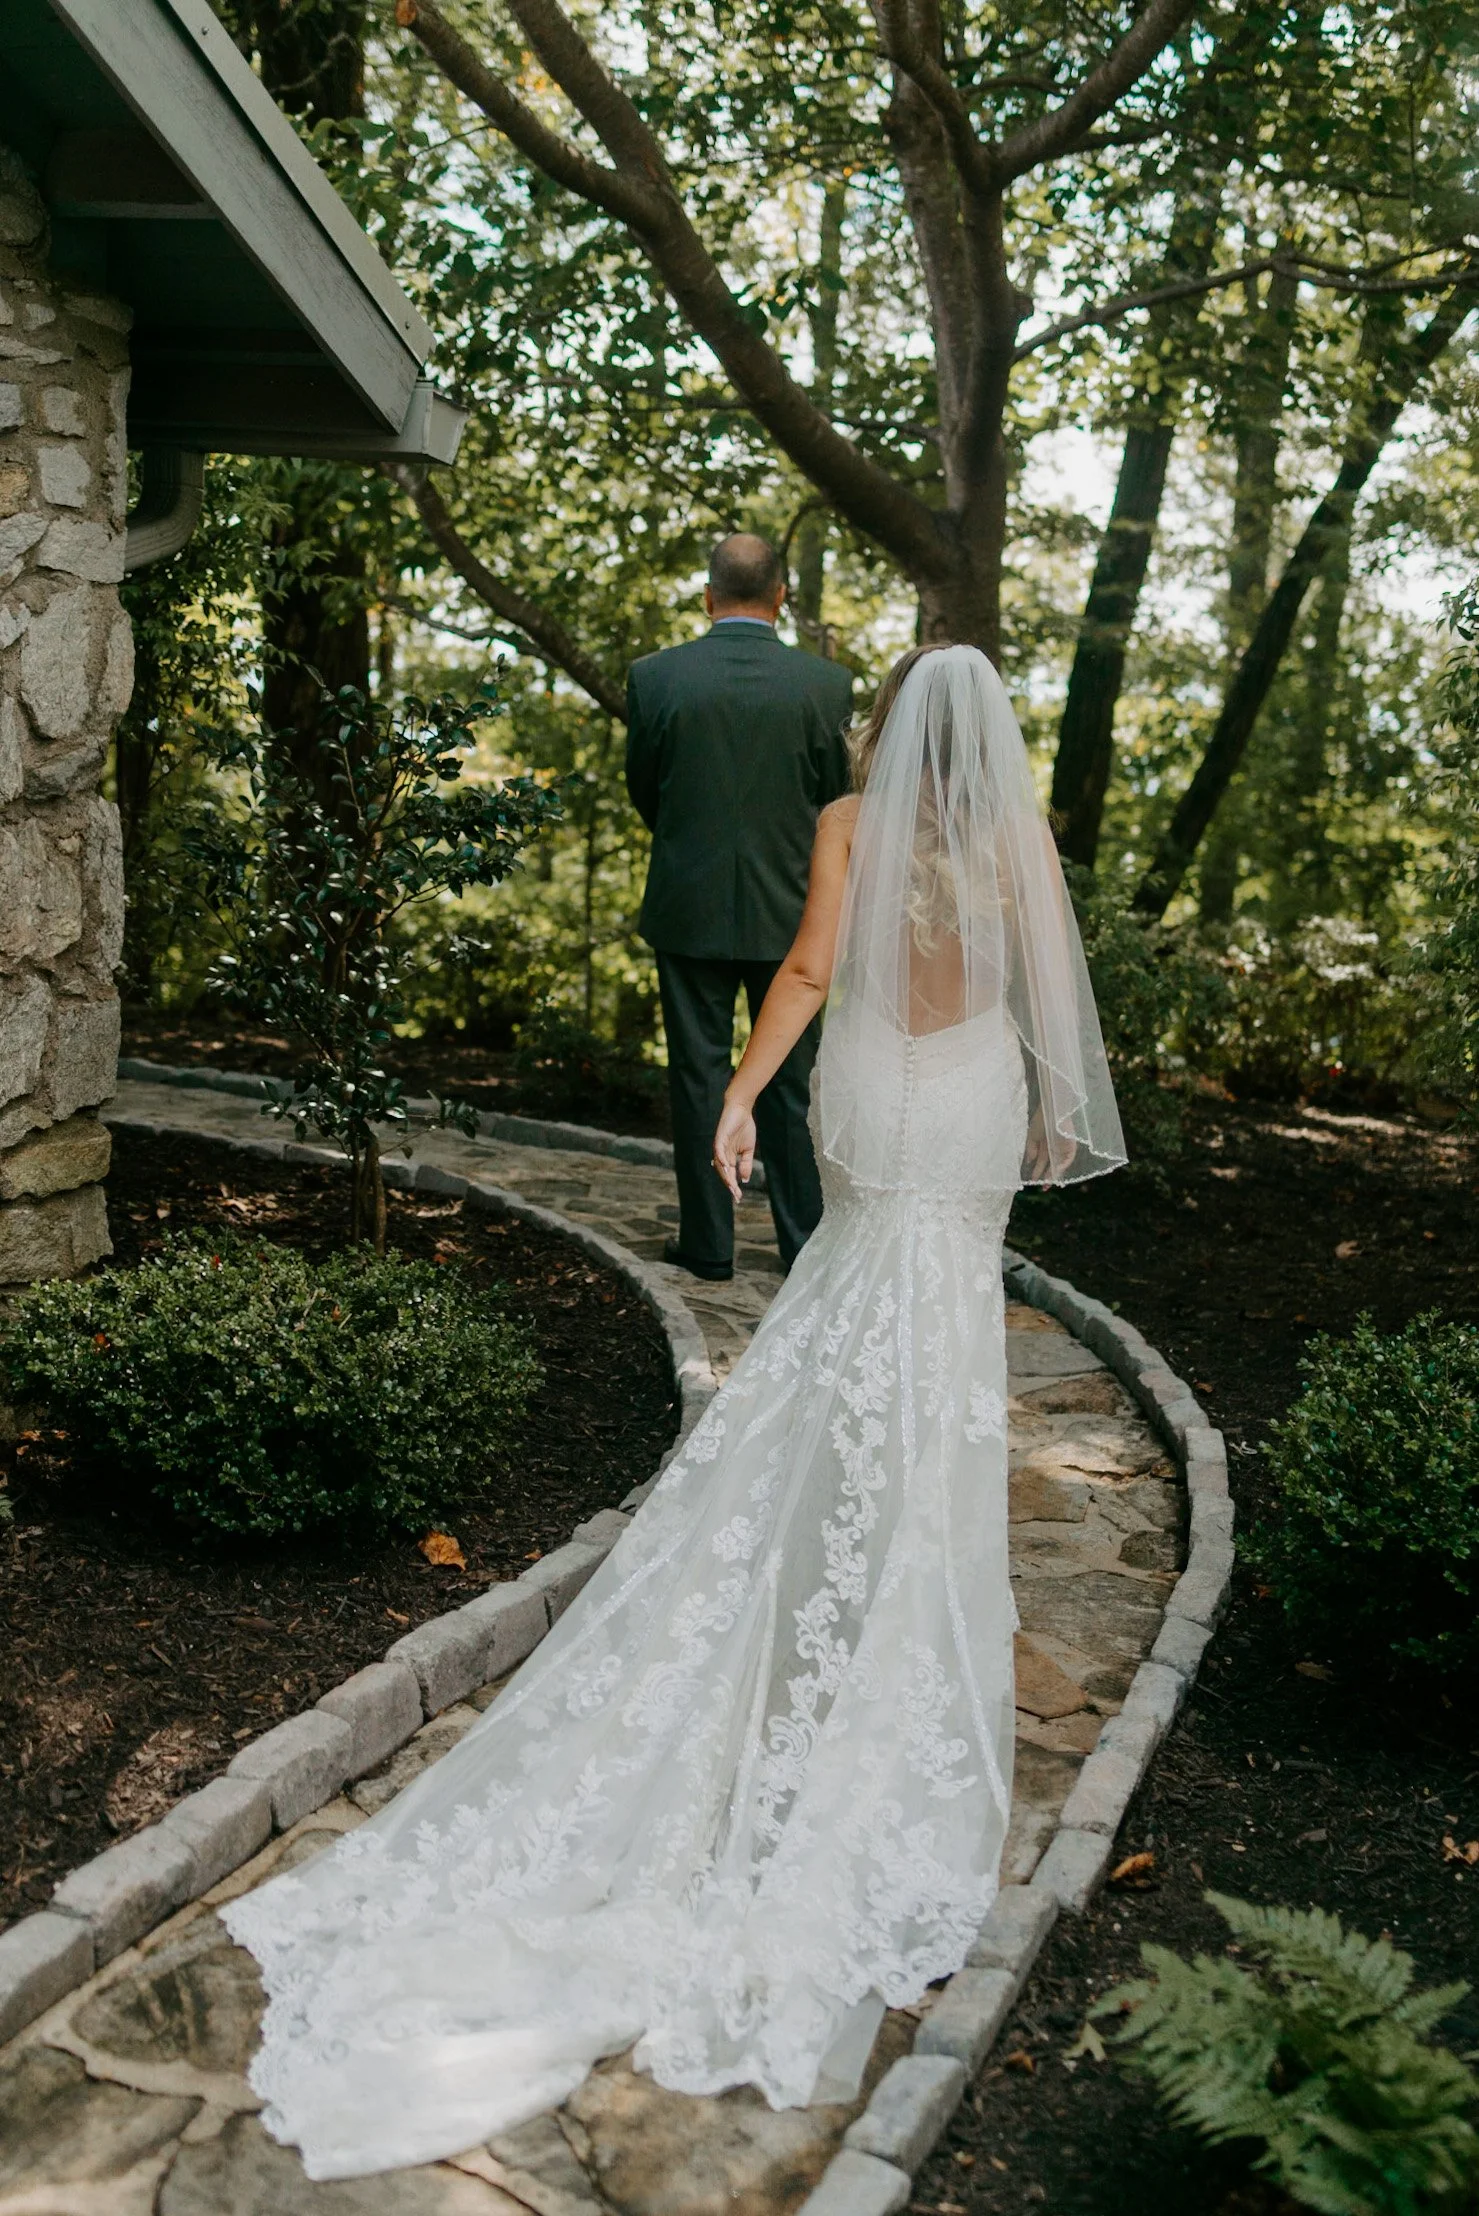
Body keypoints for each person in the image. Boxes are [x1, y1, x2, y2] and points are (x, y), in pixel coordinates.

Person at [223, 644, 1127, 2182]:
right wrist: (1042, 1098)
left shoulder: (849, 822)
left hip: (866, 1091)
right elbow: (1047, 995)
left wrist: (731, 1098)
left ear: (891, 726)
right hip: (969, 1096)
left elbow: (806, 973)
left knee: (842, 1296)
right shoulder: (1017, 842)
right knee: (941, 1344)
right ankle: (893, 1597)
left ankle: (804, 1565)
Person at [625, 531, 853, 1280]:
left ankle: (708, 1245)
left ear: (706, 595)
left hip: (687, 904)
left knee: (696, 1072)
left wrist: (692, 849)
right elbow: (832, 799)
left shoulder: (655, 678)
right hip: (791, 909)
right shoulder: (825, 685)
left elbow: (644, 788)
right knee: (789, 1079)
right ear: (782, 596)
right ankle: (800, 1243)